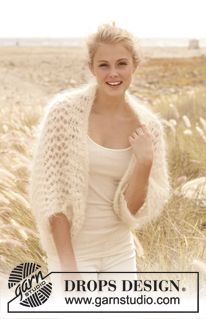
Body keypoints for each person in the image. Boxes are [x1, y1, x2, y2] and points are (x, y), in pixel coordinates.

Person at [30, 24, 170, 284]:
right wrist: (69, 271)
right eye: (104, 65)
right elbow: (53, 198)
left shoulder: (148, 128)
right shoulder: (64, 114)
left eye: (122, 64)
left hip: (120, 253)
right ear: (91, 67)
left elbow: (131, 209)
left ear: (134, 66)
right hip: (73, 252)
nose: (113, 73)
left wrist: (145, 163)